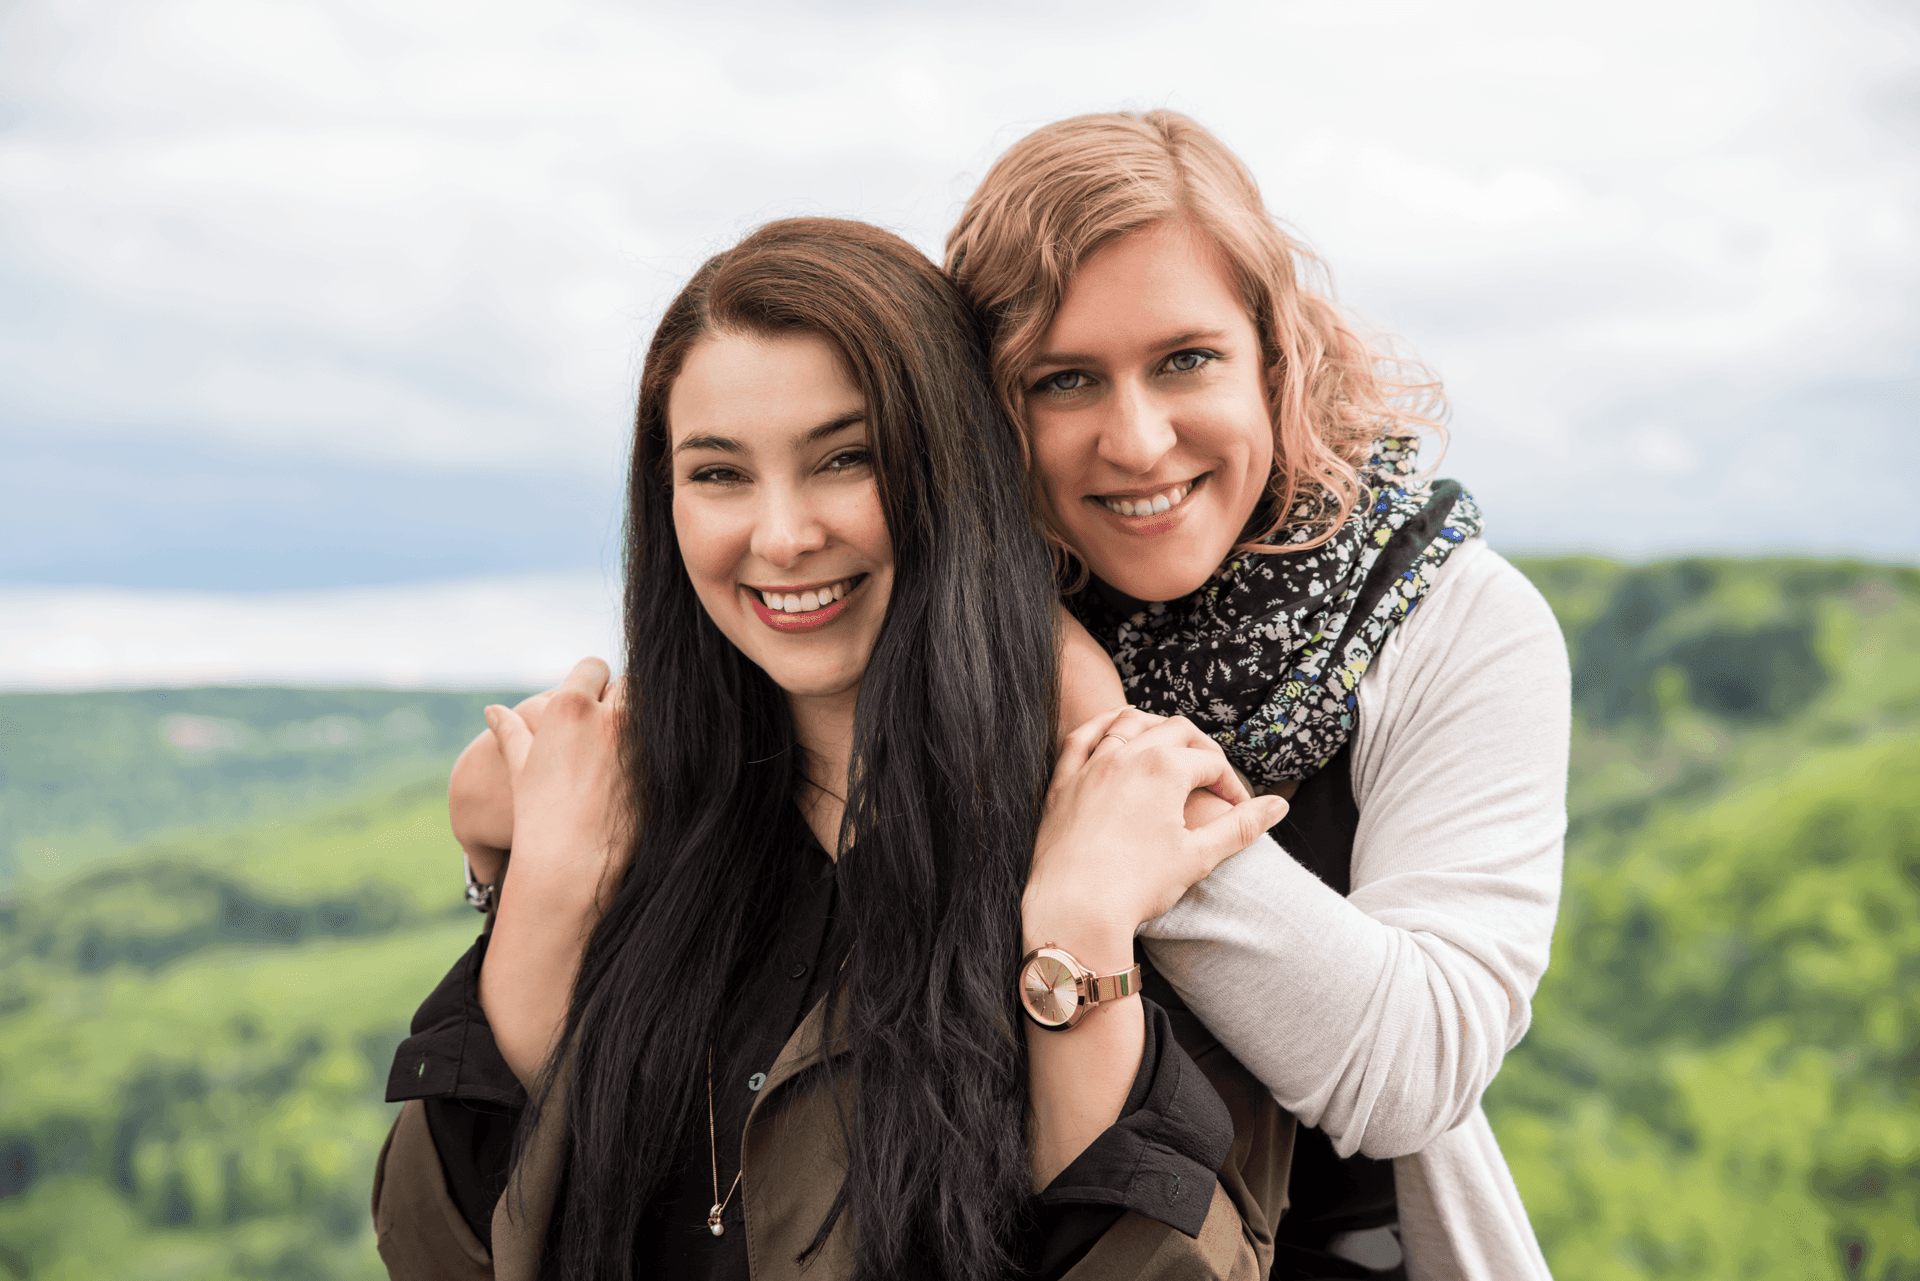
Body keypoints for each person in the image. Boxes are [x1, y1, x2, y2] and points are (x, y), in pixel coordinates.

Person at [371, 217, 1297, 1281]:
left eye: (846, 460)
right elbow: (435, 1253)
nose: (781, 536)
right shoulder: (617, 812)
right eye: (718, 474)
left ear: (955, 472)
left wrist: (1076, 944)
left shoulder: (1135, 834)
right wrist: (546, 893)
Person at [942, 111, 1571, 1280]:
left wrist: (1105, 741)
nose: (1137, 441)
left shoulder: (1447, 620)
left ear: (1275, 357)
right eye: (1062, 380)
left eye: (1185, 359)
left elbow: (1413, 1069)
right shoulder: (934, 635)